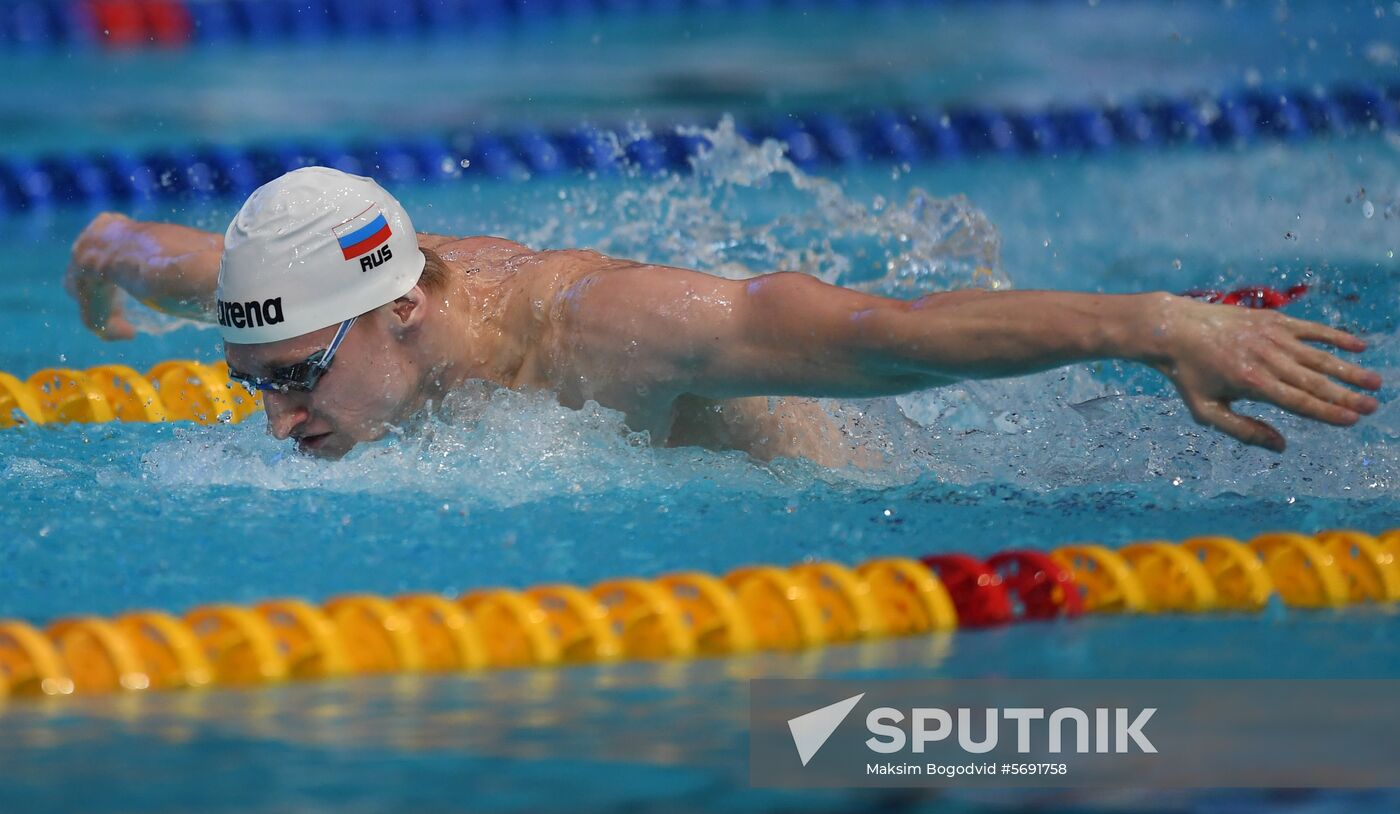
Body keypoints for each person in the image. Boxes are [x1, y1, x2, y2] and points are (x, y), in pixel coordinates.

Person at [63, 166, 1381, 465]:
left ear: (406, 308)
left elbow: (883, 335)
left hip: (870, 491)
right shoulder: (300, 306)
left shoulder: (611, 329)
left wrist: (1157, 324)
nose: (276, 411)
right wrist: (104, 256)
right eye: (253, 383)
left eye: (290, 377)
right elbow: (148, 249)